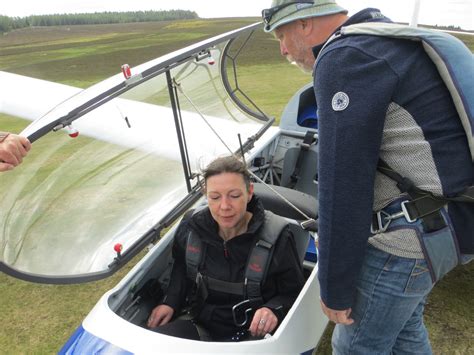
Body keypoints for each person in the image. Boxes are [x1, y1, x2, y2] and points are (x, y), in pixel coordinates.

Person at [262, 0, 473, 354]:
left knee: (355, 345)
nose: (283, 49)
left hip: (408, 240)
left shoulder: (344, 57)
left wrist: (335, 287)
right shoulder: (382, 37)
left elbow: (342, 185)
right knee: (405, 331)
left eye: (282, 35)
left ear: (303, 24)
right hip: (449, 222)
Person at [147, 155, 305, 341]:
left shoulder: (277, 236)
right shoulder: (192, 227)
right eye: (214, 197)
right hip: (198, 322)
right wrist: (171, 301)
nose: (224, 206)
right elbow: (181, 268)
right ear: (206, 195)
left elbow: (293, 292)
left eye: (235, 195)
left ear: (250, 192)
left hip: (253, 335)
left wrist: (272, 310)